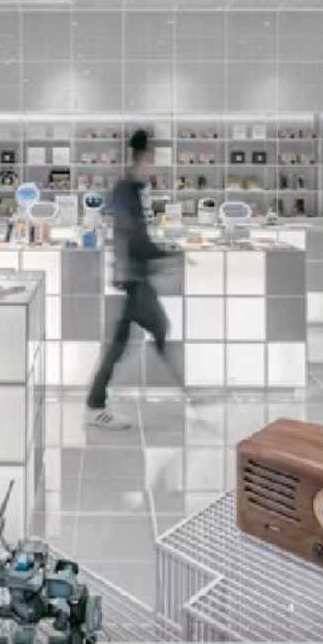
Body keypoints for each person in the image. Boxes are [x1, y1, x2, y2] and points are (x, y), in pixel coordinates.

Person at [86, 129, 180, 430]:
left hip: (132, 276)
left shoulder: (131, 189)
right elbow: (135, 238)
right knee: (157, 328)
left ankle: (97, 402)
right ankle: (187, 388)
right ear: (142, 158)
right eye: (151, 160)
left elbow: (135, 235)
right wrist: (167, 253)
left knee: (123, 340)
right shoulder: (128, 190)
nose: (153, 166)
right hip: (133, 277)